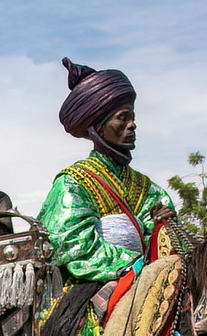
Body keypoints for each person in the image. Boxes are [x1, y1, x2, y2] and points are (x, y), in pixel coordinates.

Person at [39, 58, 175, 283]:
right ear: (98, 128)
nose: (132, 125)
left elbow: (161, 245)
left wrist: (166, 228)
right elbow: (72, 244)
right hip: (95, 282)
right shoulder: (73, 182)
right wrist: (131, 266)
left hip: (149, 278)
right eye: (122, 118)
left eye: (132, 117)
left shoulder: (148, 189)